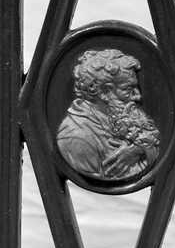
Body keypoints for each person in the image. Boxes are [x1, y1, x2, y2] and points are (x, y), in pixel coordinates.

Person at [57, 49, 160, 179]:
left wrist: (140, 150)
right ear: (104, 92)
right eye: (127, 89)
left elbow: (154, 145)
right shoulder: (77, 138)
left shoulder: (123, 115)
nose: (138, 96)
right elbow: (99, 181)